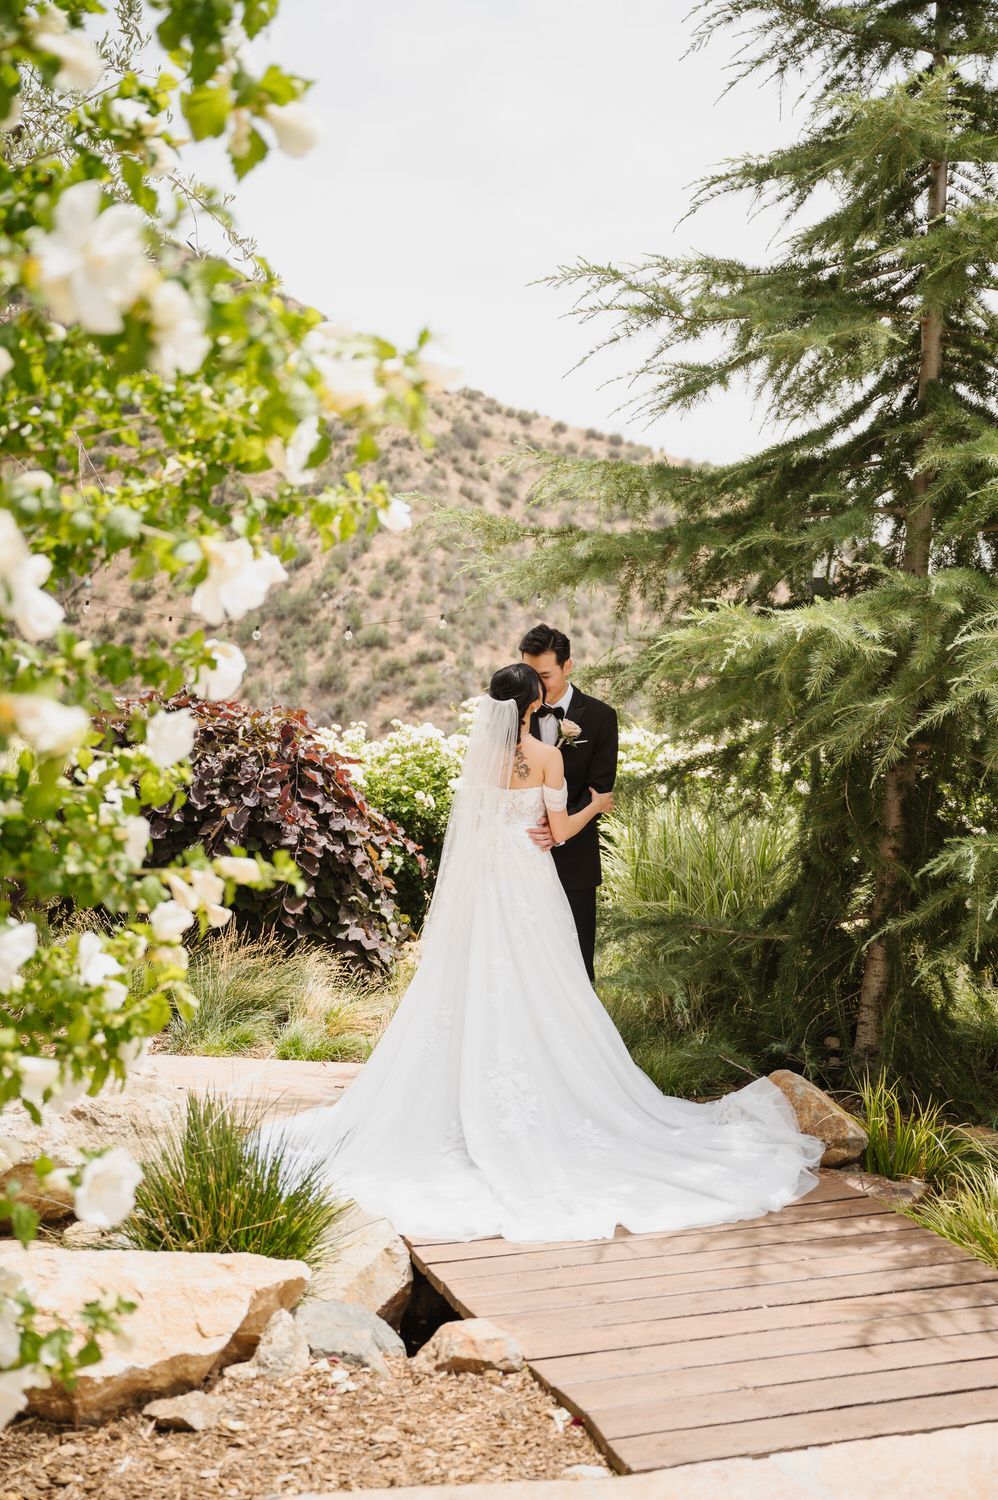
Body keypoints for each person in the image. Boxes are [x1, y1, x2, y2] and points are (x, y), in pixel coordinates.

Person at [253, 664, 824, 1244]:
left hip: (483, 885)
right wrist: (595, 806)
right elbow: (559, 831)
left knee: (468, 981)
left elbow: (472, 829)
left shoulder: (481, 760)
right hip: (527, 883)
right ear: (530, 706)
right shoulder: (545, 757)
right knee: (545, 983)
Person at [519, 624, 617, 982]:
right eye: (531, 675)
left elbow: (599, 790)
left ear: (568, 666)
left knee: (576, 966)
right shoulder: (512, 716)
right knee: (525, 965)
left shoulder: (601, 717)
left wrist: (557, 830)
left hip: (574, 858)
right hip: (521, 858)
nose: (537, 686)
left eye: (544, 675)